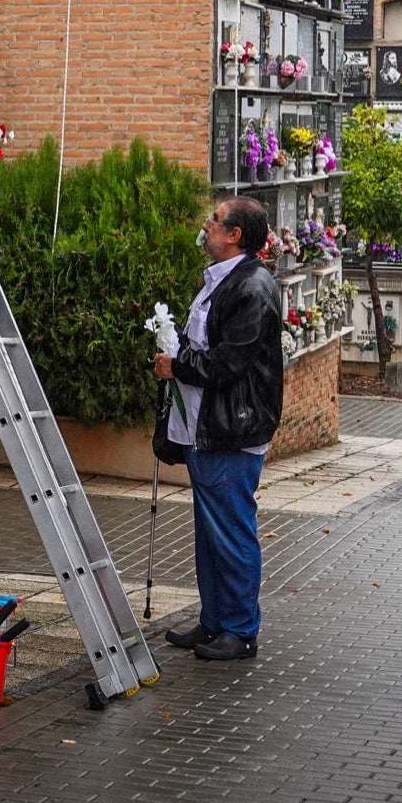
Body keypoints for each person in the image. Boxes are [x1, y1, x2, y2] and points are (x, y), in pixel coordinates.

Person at [155, 197, 284, 662]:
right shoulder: (222, 280)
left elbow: (230, 362)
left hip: (232, 429)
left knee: (231, 531)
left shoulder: (252, 287)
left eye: (214, 220)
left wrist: (178, 365)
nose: (205, 225)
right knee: (210, 533)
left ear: (234, 235)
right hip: (204, 426)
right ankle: (214, 621)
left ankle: (240, 630)